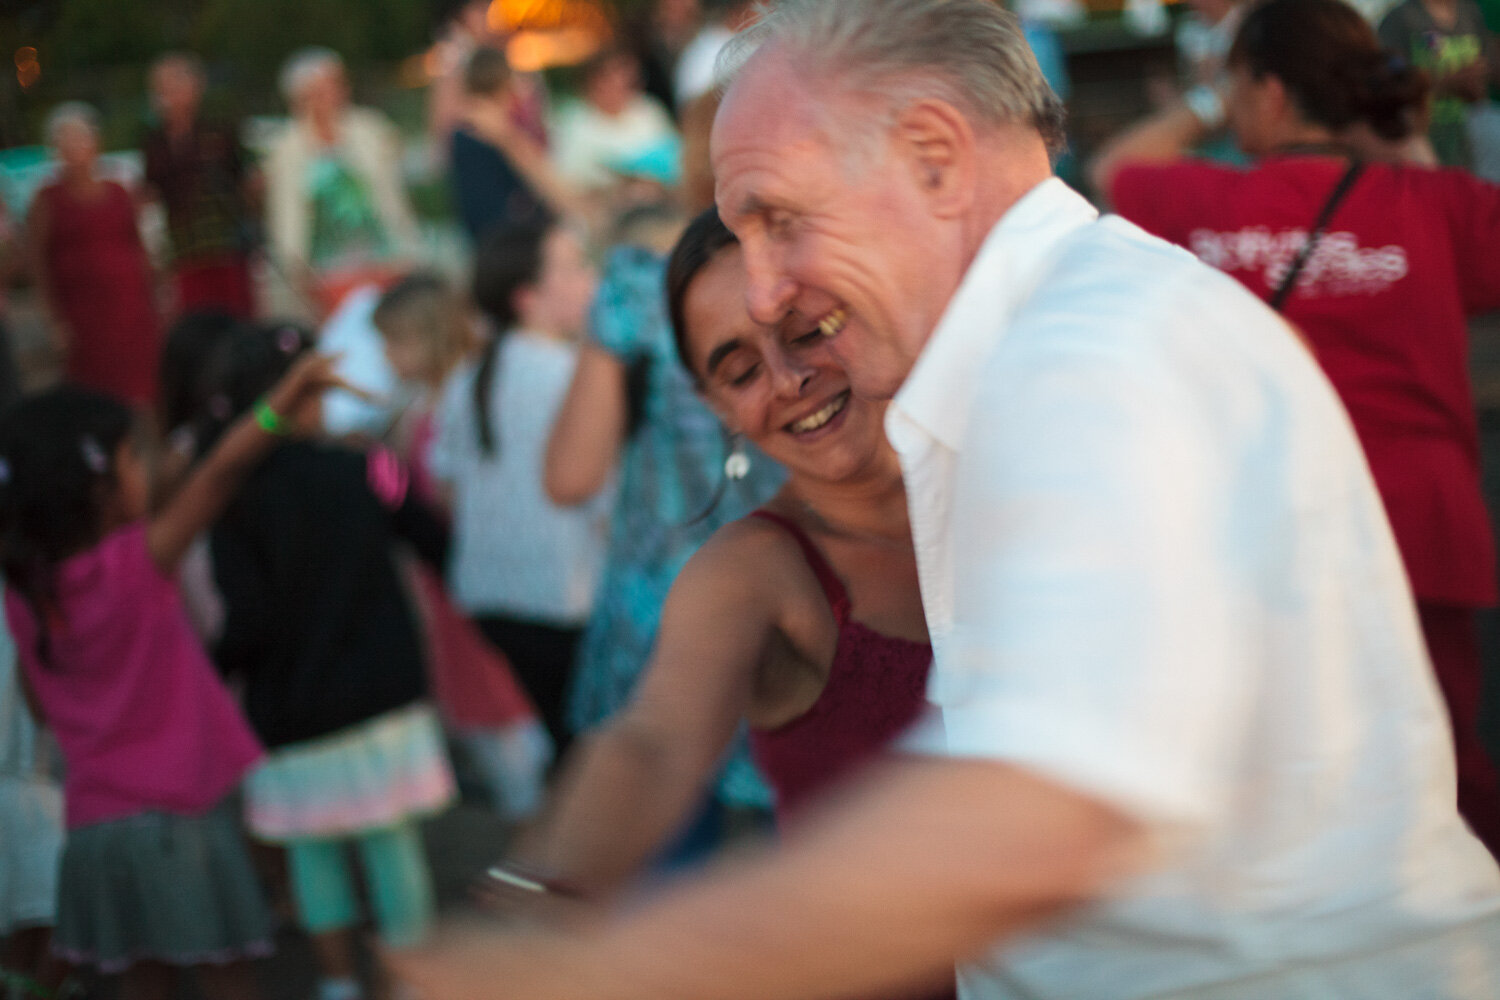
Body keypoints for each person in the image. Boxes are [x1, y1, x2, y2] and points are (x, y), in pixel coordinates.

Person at [388, 2, 1500, 998]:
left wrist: (595, 972)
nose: (773, 288)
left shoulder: (1083, 359)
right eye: (735, 358)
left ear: (933, 157)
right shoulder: (1048, 349)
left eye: (779, 217)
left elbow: (1041, 811)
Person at [488, 209, 953, 1000]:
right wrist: (540, 901)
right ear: (714, 408)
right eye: (740, 371)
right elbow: (655, 738)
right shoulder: (754, 572)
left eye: (809, 331)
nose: (787, 378)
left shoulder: (1009, 472)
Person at [1092, 0, 1500, 859]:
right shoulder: (1430, 200)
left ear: (1270, 96)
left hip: (1268, 541)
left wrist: (1206, 104)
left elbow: (1116, 165)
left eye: (1239, 86)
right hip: (1422, 531)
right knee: (1446, 776)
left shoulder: (1200, 200)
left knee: (1291, 788)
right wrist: (1396, 142)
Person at [0, 356, 346, 999]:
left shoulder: (26, 599)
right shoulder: (136, 564)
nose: (146, 471)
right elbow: (220, 475)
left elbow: (41, 708)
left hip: (97, 833)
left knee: (142, 981)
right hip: (182, 823)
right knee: (225, 974)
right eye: (135, 459)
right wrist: (281, 402)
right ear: (99, 487)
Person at [198, 322, 455, 1000]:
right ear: (312, 392)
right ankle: (412, 985)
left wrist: (220, 668)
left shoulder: (232, 497)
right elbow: (430, 535)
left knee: (315, 861)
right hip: (382, 701)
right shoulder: (366, 466)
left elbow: (245, 617)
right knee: (391, 849)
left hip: (290, 708)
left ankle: (337, 984)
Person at [545, 205, 784, 846]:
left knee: (664, 860)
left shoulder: (636, 294)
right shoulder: (817, 266)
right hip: (799, 606)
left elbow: (569, 478)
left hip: (662, 617)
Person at [373, 273, 555, 820]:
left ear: (428, 337)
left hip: (469, 573)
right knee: (483, 688)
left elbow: (438, 494)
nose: (385, 355)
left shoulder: (451, 406)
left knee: (500, 692)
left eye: (395, 341)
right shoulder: (416, 407)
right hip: (446, 579)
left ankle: (534, 800)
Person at [429, 222, 608, 756]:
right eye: (575, 267)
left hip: (493, 593)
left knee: (569, 741)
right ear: (528, 298)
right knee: (599, 749)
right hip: (565, 595)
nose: (591, 279)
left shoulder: (466, 377)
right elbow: (602, 496)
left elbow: (446, 489)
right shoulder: (571, 375)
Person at [264, 48, 420, 317]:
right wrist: (297, 272)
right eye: (323, 87)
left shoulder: (370, 129)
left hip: (384, 262)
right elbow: (286, 217)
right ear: (301, 97)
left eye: (338, 83)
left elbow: (394, 195)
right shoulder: (287, 150)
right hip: (327, 274)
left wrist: (407, 253)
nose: (336, 92)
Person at [28, 103, 162, 406]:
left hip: (130, 308)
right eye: (66, 143)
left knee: (143, 387)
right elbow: (38, 262)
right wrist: (52, 319)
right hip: (82, 314)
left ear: (96, 145)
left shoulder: (118, 190)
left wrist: (156, 295)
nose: (75, 151)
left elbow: (139, 246)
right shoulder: (47, 199)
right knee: (92, 392)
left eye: (81, 141)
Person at [143, 52, 258, 319]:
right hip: (185, 251)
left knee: (237, 318)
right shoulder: (155, 142)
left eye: (177, 86)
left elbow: (246, 181)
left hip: (227, 247)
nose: (170, 96)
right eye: (164, 89)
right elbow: (151, 193)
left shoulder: (218, 131)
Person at [449, 47, 573, 243]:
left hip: (481, 235)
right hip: (506, 238)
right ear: (505, 82)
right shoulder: (493, 126)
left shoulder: (462, 127)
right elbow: (546, 184)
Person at [1379, 0, 1500, 166]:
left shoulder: (1470, 12)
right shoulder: (1399, 19)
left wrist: (1477, 83)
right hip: (1423, 143)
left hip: (1469, 142)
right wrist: (1443, 85)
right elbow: (1385, 85)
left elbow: (1487, 67)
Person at [550, 49, 680, 193]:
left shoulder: (649, 109)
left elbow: (675, 156)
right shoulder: (575, 123)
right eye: (611, 77)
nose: (620, 82)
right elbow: (568, 179)